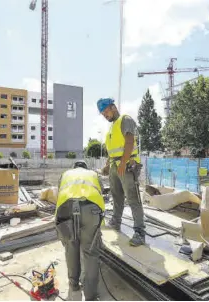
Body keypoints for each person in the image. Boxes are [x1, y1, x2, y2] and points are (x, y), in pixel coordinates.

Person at [97, 97, 146, 246]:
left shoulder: (125, 119)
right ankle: (116, 222)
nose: (105, 115)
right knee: (116, 197)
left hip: (127, 164)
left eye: (106, 111)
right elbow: (112, 151)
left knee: (133, 198)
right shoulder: (112, 128)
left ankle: (139, 233)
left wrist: (124, 162)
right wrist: (107, 165)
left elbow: (130, 142)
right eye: (102, 113)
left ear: (113, 107)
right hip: (115, 165)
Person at [55, 160, 105, 301]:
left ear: (74, 167)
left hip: (66, 209)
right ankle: (90, 296)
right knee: (90, 252)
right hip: (91, 210)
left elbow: (59, 192)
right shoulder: (93, 174)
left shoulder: (65, 174)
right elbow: (100, 191)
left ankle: (74, 285)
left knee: (71, 248)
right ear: (85, 167)